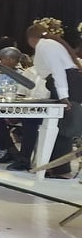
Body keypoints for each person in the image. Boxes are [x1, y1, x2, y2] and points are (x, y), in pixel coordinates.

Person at [7, 19, 82, 178]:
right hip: (66, 83)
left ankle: (62, 171)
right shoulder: (51, 43)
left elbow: (58, 71)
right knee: (60, 126)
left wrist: (63, 96)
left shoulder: (44, 45)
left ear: (30, 39)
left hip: (66, 84)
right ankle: (56, 168)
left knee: (63, 128)